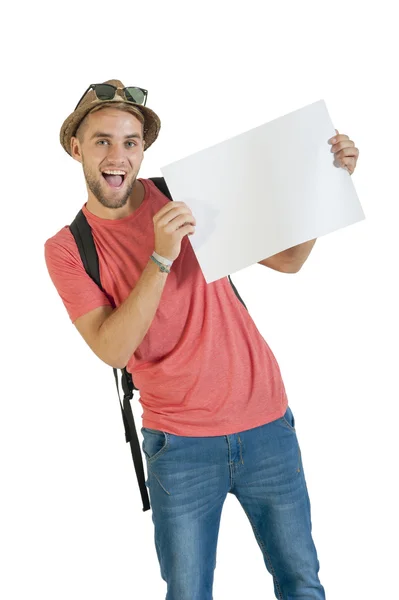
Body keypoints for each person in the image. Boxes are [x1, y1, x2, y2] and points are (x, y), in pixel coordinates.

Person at [44, 79, 359, 600]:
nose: (117, 155)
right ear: (77, 147)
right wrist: (161, 257)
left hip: (268, 425)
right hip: (180, 446)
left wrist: (329, 185)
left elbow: (289, 260)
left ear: (144, 148)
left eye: (130, 142)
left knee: (302, 584)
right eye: (101, 140)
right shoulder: (68, 248)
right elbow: (113, 349)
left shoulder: (187, 194)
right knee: (188, 593)